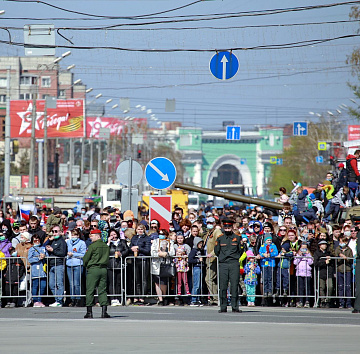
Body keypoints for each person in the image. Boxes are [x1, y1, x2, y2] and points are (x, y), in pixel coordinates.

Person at [214, 219, 244, 313]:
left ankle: (235, 306)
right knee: (223, 285)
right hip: (223, 263)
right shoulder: (220, 238)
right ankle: (223, 306)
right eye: (225, 228)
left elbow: (241, 250)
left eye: (229, 228)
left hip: (234, 263)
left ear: (232, 228)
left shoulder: (237, 238)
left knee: (234, 285)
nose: (227, 230)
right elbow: (217, 251)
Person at [83, 228, 110, 319]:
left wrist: (85, 264)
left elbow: (86, 258)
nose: (91, 238)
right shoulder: (106, 246)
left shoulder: (92, 246)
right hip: (103, 269)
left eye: (92, 236)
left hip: (93, 269)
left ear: (98, 236)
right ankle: (104, 311)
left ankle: (89, 312)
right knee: (102, 290)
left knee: (90, 290)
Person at [150, 230, 175, 306]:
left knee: (163, 283)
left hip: (165, 264)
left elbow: (173, 252)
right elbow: (152, 253)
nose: (161, 235)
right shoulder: (155, 242)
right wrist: (159, 254)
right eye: (160, 234)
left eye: (163, 234)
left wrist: (166, 253)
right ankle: (160, 299)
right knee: (157, 282)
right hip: (156, 264)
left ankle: (164, 297)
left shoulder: (170, 242)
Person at [44, 226, 67, 307]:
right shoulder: (52, 241)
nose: (54, 233)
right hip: (51, 264)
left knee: (59, 283)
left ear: (60, 232)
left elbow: (62, 253)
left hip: (59, 264)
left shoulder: (62, 242)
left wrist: (53, 250)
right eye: (53, 231)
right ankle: (57, 299)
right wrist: (48, 241)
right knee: (51, 284)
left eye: (56, 231)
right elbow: (43, 246)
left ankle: (59, 301)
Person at [129, 224, 151, 305]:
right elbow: (130, 247)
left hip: (143, 259)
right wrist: (132, 249)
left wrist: (138, 248)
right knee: (136, 279)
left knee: (143, 279)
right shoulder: (134, 238)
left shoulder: (147, 238)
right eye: (138, 229)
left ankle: (142, 297)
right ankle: (136, 296)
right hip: (135, 260)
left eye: (141, 229)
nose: (140, 231)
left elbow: (147, 250)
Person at [203, 216, 222, 305]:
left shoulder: (216, 231)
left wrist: (213, 253)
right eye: (208, 223)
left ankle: (216, 297)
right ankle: (215, 298)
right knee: (211, 279)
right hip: (209, 259)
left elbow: (219, 244)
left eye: (211, 223)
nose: (209, 225)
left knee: (208, 278)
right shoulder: (208, 233)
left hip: (214, 259)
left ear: (215, 223)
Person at [107, 229, 129, 306]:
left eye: (114, 234)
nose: (113, 236)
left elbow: (127, 250)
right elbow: (105, 251)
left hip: (120, 264)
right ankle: (112, 298)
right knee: (112, 282)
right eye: (111, 235)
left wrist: (121, 254)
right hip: (111, 265)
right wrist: (109, 243)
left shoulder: (122, 242)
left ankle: (119, 298)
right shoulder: (108, 244)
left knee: (119, 282)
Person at [66, 228, 86, 307]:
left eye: (75, 235)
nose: (74, 236)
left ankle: (78, 299)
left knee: (76, 283)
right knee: (71, 284)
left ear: (78, 235)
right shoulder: (68, 242)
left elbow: (83, 254)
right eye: (73, 235)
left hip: (78, 264)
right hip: (69, 264)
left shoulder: (82, 243)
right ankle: (72, 299)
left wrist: (74, 254)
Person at [28, 235, 48, 308]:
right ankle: (35, 300)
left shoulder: (43, 248)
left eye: (38, 240)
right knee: (35, 286)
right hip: (35, 270)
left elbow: (48, 257)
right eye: (35, 240)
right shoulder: (31, 249)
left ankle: (40, 300)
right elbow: (30, 259)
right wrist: (38, 258)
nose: (37, 241)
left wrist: (45, 256)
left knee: (43, 286)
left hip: (43, 270)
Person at [314, 240, 334, 308]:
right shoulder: (317, 253)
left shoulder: (329, 252)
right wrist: (324, 261)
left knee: (330, 286)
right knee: (321, 287)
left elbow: (333, 261)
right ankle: (322, 300)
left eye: (325, 244)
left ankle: (328, 300)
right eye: (323, 244)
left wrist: (331, 259)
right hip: (321, 272)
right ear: (319, 245)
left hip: (328, 272)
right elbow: (316, 263)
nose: (324, 245)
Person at [335, 234, 353, 309]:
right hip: (340, 269)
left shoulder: (349, 250)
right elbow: (336, 258)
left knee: (348, 287)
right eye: (340, 241)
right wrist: (340, 257)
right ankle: (341, 303)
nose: (341, 243)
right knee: (340, 287)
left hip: (347, 269)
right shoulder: (337, 249)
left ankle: (348, 303)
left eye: (343, 242)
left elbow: (351, 259)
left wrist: (346, 258)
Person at [293, 242, 313, 308]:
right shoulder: (298, 255)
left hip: (307, 273)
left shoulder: (309, 255)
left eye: (305, 248)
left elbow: (310, 262)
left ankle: (307, 301)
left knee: (307, 288)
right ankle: (300, 301)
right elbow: (295, 263)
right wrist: (299, 255)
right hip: (299, 273)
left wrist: (308, 255)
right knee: (300, 288)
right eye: (302, 248)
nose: (303, 250)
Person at [259, 234, 279, 298]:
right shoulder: (262, 246)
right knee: (265, 278)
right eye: (268, 240)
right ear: (265, 240)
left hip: (271, 264)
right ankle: (265, 291)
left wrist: (270, 254)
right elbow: (260, 253)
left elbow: (276, 253)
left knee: (270, 278)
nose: (269, 241)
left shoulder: (273, 246)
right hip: (264, 264)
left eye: (270, 240)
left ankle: (270, 291)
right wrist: (263, 255)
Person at [188, 237, 206, 306]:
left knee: (199, 285)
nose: (201, 245)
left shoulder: (200, 250)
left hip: (201, 267)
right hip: (196, 268)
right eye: (199, 243)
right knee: (196, 285)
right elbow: (190, 259)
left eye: (202, 243)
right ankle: (193, 300)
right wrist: (198, 260)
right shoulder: (194, 251)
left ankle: (198, 299)